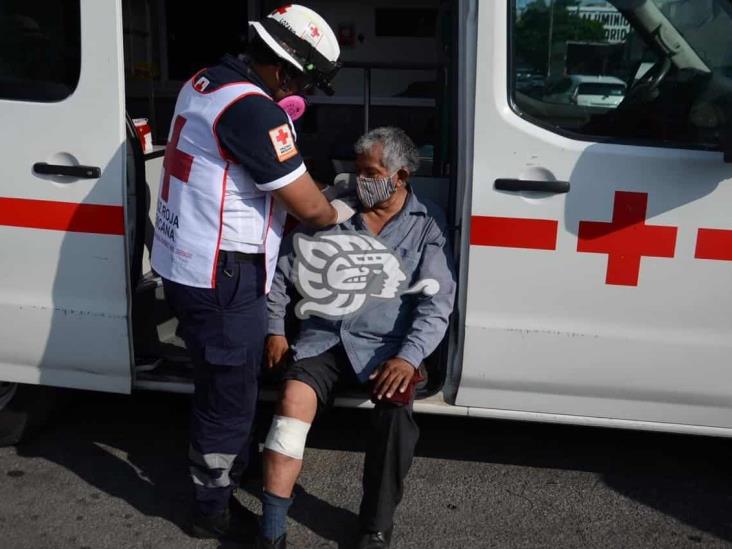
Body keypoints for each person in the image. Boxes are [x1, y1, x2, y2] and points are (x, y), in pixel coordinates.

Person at [149, 5, 355, 542]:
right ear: (284, 72)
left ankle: (217, 477)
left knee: (216, 380)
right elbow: (309, 206)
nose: (304, 92)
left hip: (184, 261)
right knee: (230, 397)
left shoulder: (206, 80)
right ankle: (209, 507)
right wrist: (339, 211)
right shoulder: (256, 113)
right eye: (305, 81)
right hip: (223, 275)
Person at [261, 127, 457, 548]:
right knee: (290, 408)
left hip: (387, 348)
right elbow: (282, 272)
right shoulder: (331, 211)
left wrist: (408, 357)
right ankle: (271, 529)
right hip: (324, 340)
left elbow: (436, 303)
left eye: (370, 172)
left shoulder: (427, 223)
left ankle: (375, 525)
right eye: (357, 170)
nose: (360, 180)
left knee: (395, 418)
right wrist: (275, 329)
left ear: (401, 176)